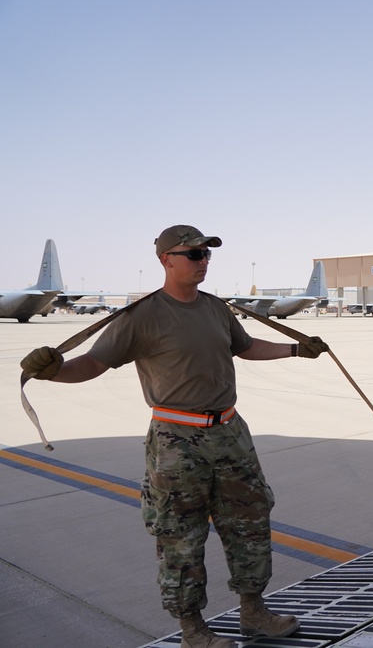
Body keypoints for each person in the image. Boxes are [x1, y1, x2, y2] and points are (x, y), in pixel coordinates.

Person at [20, 225, 330, 648]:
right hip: (176, 440)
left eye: (206, 254)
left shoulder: (216, 308)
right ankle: (193, 629)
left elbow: (245, 346)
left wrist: (296, 348)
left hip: (230, 431)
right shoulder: (141, 316)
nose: (203, 260)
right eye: (194, 254)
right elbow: (93, 363)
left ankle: (253, 611)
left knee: (250, 523)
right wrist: (54, 371)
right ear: (166, 259)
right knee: (180, 536)